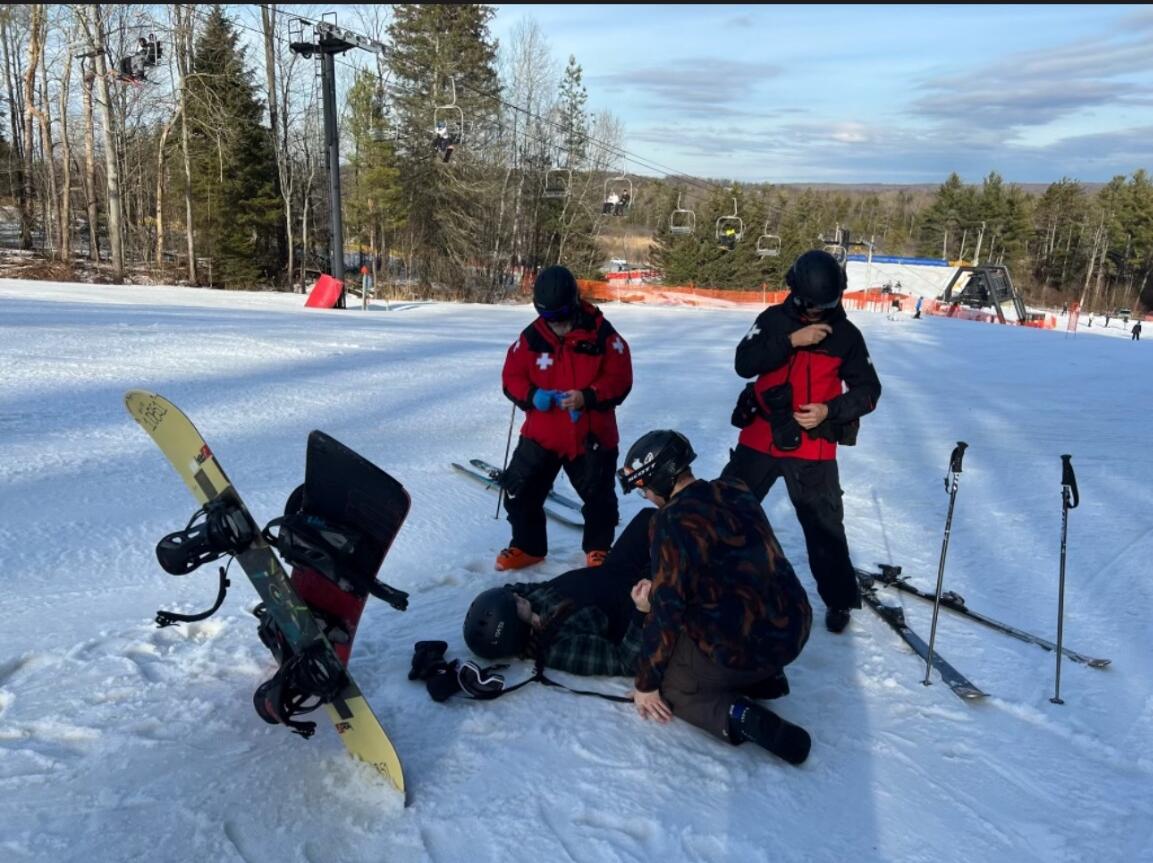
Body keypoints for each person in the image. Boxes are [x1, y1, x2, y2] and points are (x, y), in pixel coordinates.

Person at [618, 429, 813, 766]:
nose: (647, 497)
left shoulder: (669, 521)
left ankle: (736, 715)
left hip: (739, 649)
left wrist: (646, 683)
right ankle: (765, 678)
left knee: (675, 683)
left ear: (663, 479)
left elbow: (668, 610)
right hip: (793, 630)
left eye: (645, 489)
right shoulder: (735, 488)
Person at [721, 248, 882, 634]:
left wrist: (830, 410)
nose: (818, 314)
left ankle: (839, 600)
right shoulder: (772, 321)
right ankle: (703, 575)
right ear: (795, 294)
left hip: (813, 446)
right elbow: (745, 363)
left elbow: (869, 391)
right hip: (760, 437)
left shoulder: (847, 336)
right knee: (724, 510)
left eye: (825, 306)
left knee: (824, 527)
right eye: (811, 307)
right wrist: (792, 340)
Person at [497, 265, 633, 571]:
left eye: (560, 317)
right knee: (519, 491)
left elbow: (620, 379)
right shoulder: (531, 338)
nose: (555, 326)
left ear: (574, 304)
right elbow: (511, 376)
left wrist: (589, 396)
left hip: (591, 436)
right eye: (548, 318)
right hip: (542, 434)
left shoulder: (604, 336)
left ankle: (598, 549)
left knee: (599, 498)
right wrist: (532, 395)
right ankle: (529, 547)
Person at [463, 508, 658, 674]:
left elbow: (511, 590)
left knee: (650, 518)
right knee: (675, 553)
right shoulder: (558, 647)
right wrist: (642, 612)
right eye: (513, 603)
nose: (516, 596)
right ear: (515, 628)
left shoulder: (530, 602)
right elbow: (624, 663)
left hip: (616, 569)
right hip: (640, 598)